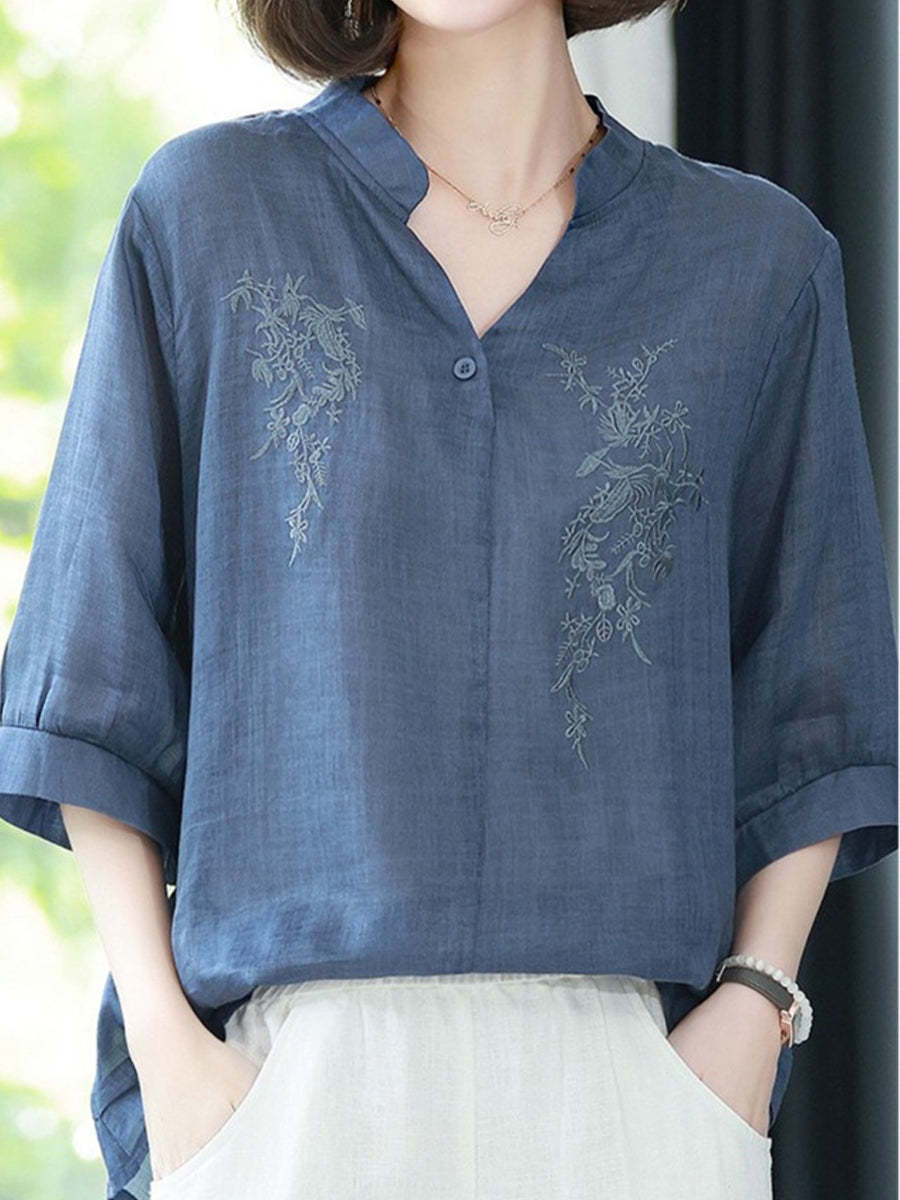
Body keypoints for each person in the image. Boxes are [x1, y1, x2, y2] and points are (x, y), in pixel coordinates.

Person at [0, 1, 897, 1198]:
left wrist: (753, 1007)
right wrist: (168, 1048)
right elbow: (92, 674)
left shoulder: (754, 261)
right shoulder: (210, 213)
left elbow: (815, 698)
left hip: (631, 1095)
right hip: (289, 1091)